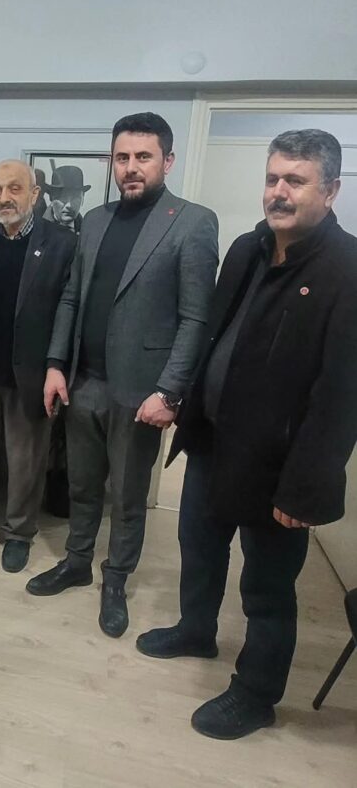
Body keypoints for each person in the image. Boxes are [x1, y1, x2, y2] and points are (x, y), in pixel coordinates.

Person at [137, 129, 357, 740]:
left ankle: (257, 695)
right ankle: (196, 630)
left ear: (331, 190)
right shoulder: (246, 248)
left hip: (277, 466)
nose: (278, 191)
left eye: (296, 180)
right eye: (272, 178)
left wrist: (307, 488)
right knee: (198, 548)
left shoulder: (347, 270)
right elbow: (215, 335)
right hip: (213, 440)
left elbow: (341, 397)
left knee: (267, 587)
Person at [26, 113, 219, 641]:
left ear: (167, 161)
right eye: (122, 157)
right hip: (83, 381)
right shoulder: (95, 220)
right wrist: (55, 365)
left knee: (128, 496)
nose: (131, 167)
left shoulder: (193, 222)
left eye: (143, 157)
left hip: (141, 392)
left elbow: (195, 318)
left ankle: (116, 580)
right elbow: (71, 297)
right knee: (82, 485)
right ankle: (77, 562)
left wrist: (171, 391)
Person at [0, 160, 76, 572]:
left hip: (31, 376)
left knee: (26, 464)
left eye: (14, 188)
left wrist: (57, 365)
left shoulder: (61, 243)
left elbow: (67, 310)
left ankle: (19, 532)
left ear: (35, 194)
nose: (4, 198)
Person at [44, 164, 90, 234]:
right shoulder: (36, 229)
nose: (69, 205)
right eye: (63, 197)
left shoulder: (89, 232)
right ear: (51, 197)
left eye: (75, 197)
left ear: (82, 198)